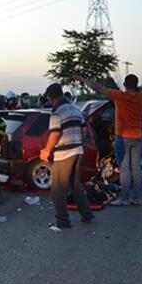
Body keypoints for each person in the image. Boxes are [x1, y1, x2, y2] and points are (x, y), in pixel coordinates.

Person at [76, 74, 142, 206]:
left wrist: (83, 80)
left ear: (125, 85)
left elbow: (98, 88)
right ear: (136, 85)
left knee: (124, 169)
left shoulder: (120, 96)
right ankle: (137, 198)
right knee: (136, 168)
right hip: (138, 136)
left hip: (123, 136)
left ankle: (125, 198)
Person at [39, 83, 94, 229]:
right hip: (78, 151)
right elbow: (85, 131)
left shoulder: (57, 111)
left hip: (64, 154)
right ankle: (87, 215)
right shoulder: (76, 109)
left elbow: (55, 132)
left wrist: (46, 151)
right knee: (75, 185)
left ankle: (63, 221)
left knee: (58, 189)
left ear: (51, 97)